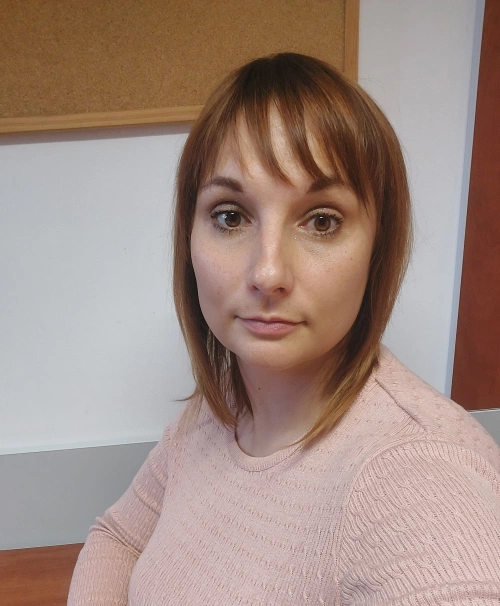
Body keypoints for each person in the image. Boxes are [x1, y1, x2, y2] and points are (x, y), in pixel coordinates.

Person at [68, 53, 500, 605]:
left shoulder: (417, 471)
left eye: (322, 220)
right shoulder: (219, 407)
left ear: (378, 248)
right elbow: (119, 536)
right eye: (230, 216)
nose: (268, 273)